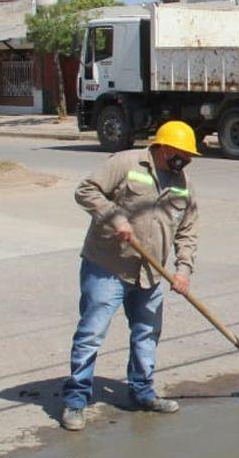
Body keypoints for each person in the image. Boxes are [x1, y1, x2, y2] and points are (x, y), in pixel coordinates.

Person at [60, 120, 202, 431]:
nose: (184, 160)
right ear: (161, 147)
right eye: (180, 154)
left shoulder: (183, 182)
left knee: (147, 335)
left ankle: (142, 392)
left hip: (151, 274)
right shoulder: (125, 163)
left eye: (188, 156)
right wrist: (115, 217)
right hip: (108, 266)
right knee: (91, 334)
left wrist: (183, 270)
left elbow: (188, 231)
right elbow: (86, 190)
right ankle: (76, 400)